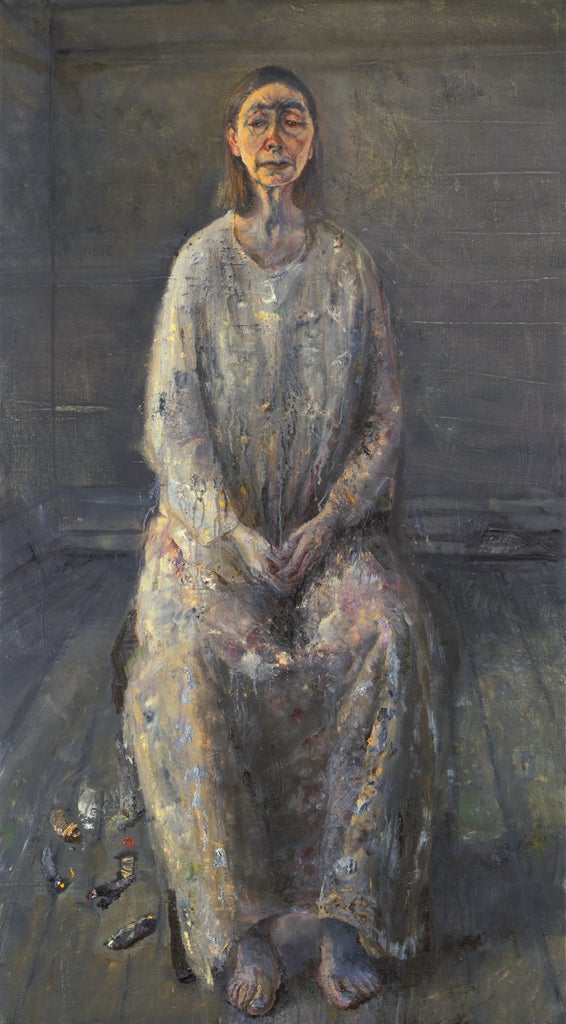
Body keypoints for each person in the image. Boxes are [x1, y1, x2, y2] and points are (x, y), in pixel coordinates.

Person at [123, 65, 437, 1017]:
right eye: (258, 120)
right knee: (183, 658)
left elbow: (384, 420)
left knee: (388, 630)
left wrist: (331, 518)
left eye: (292, 120)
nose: (275, 136)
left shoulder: (348, 266)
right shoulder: (197, 268)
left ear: (311, 142)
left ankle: (344, 918)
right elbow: (173, 426)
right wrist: (232, 533)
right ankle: (243, 928)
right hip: (217, 544)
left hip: (325, 535)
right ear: (234, 139)